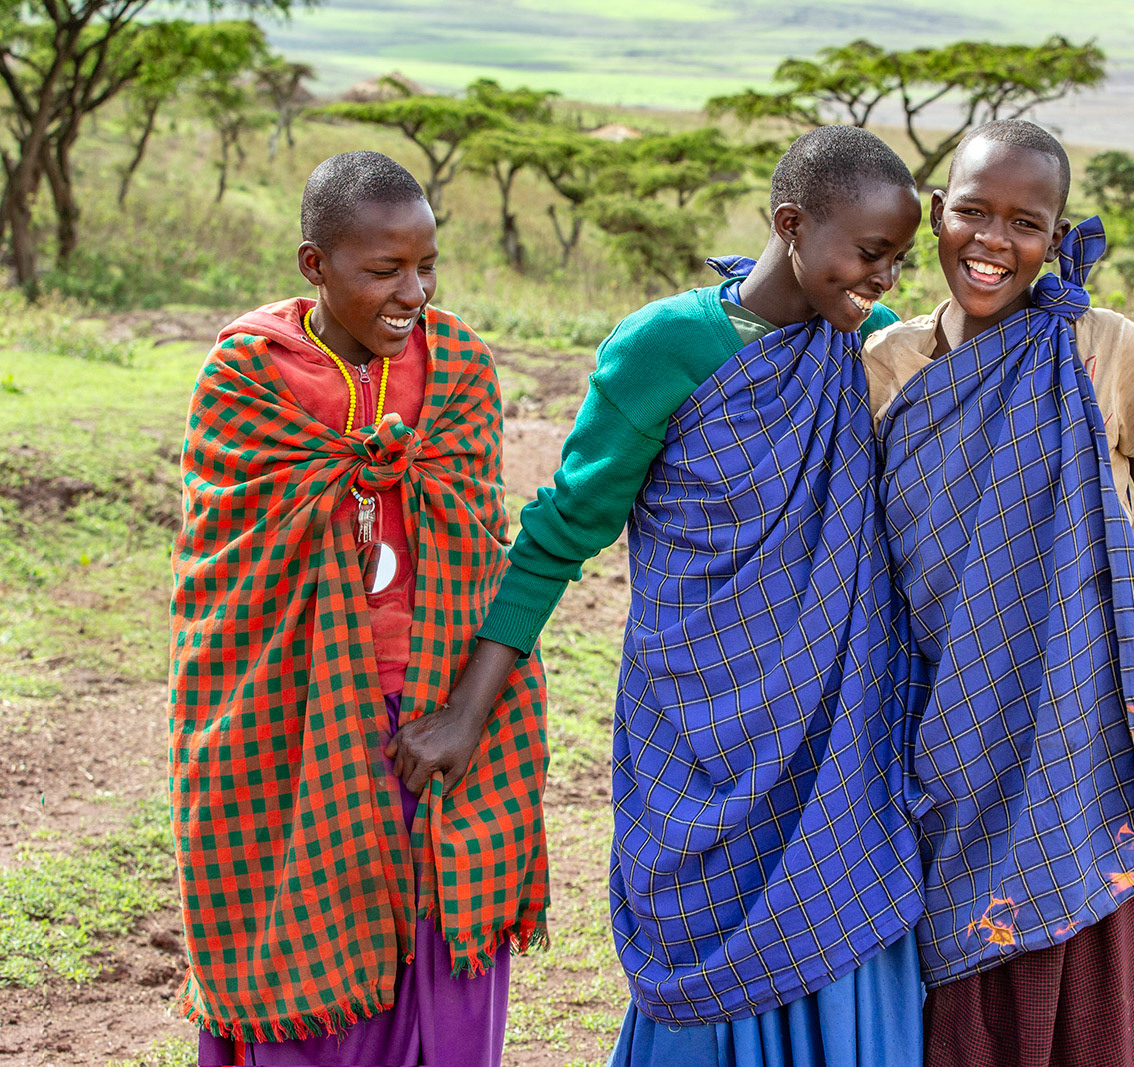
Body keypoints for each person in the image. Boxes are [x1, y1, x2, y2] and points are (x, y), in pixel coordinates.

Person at [441, 125, 927, 1066]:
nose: (886, 282)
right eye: (871, 256)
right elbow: (559, 530)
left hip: (838, 738)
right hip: (697, 726)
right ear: (792, 224)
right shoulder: (665, 346)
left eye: (900, 262)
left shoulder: (876, 353)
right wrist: (469, 711)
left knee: (843, 944)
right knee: (698, 963)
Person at [863, 119, 1134, 1067]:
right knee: (968, 940)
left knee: (1102, 939)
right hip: (949, 712)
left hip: (1093, 705)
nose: (993, 242)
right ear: (936, 216)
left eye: (1026, 222)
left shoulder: (1105, 348)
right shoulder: (886, 362)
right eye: (973, 212)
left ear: (1059, 238)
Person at [173, 151, 548, 1066]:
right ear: (316, 266)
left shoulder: (456, 367)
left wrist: (460, 712)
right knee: (312, 928)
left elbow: (478, 538)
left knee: (450, 912)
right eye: (384, 270)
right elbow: (226, 577)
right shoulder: (248, 379)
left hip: (448, 701)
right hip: (293, 715)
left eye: (426, 266)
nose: (412, 291)